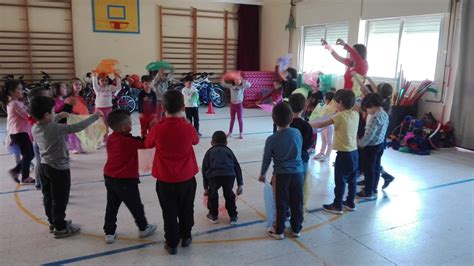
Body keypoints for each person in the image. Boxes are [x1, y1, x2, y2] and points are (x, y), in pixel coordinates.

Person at [30, 96, 101, 238]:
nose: (55, 113)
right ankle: (61, 228)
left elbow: (49, 124)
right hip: (58, 169)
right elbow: (76, 127)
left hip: (44, 167)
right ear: (47, 115)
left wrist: (57, 117)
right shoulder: (54, 128)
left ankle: (54, 222)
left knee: (48, 197)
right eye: (53, 112)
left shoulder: (35, 127)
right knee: (60, 199)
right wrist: (94, 117)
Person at [145, 90, 198, 255]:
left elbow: (148, 144)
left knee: (169, 212)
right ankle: (186, 236)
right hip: (187, 178)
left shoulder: (158, 128)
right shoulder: (187, 127)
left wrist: (152, 127)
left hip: (165, 179)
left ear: (163, 108)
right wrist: (187, 123)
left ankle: (172, 243)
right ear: (183, 107)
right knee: (187, 208)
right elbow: (195, 140)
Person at [103, 110, 157, 244]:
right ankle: (143, 228)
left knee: (112, 206)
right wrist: (154, 128)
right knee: (135, 205)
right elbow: (147, 143)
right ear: (123, 127)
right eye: (129, 123)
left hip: (109, 176)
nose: (131, 125)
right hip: (125, 180)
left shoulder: (111, 138)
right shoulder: (127, 142)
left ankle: (109, 232)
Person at [258, 102, 304, 240]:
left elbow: (267, 158)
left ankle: (278, 230)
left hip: (281, 175)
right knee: (297, 202)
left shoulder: (272, 139)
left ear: (274, 119)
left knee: (281, 203)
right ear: (291, 119)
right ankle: (296, 229)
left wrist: (262, 173)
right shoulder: (297, 133)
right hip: (298, 174)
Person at [310, 90, 359, 214]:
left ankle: (337, 205)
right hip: (354, 153)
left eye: (335, 103)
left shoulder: (339, 116)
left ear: (340, 103)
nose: (334, 105)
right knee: (352, 180)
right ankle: (350, 202)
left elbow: (321, 123)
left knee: (340, 180)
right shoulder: (355, 114)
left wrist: (306, 124)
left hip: (343, 155)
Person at [202, 131, 243, 224]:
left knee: (212, 195)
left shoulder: (209, 152)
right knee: (229, 195)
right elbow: (237, 167)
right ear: (226, 143)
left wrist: (205, 188)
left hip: (214, 176)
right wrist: (240, 184)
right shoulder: (229, 151)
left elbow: (204, 170)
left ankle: (213, 215)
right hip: (228, 175)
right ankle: (233, 216)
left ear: (211, 143)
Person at [1, 80, 35, 184]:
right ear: (11, 92)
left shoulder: (15, 102)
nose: (22, 91)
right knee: (28, 154)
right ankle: (24, 177)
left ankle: (15, 171)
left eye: (21, 89)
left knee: (30, 154)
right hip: (19, 132)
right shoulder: (14, 103)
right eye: (19, 89)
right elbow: (26, 116)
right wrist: (32, 108)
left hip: (20, 132)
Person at [356, 93, 389, 199]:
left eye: (367, 108)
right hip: (379, 144)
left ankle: (368, 191)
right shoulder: (384, 113)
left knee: (368, 170)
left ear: (372, 105)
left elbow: (369, 135)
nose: (367, 111)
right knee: (375, 168)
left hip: (371, 147)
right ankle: (373, 188)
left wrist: (360, 143)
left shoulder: (375, 117)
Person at [288, 94, 314, 211]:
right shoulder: (306, 126)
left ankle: (286, 208)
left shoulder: (285, 124)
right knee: (301, 185)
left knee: (287, 185)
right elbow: (309, 145)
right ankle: (299, 207)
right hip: (302, 160)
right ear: (305, 106)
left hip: (287, 160)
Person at [26, 87, 51, 189]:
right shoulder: (35, 112)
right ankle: (39, 181)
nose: (49, 97)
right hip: (39, 141)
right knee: (40, 162)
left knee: (41, 162)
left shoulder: (38, 110)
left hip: (43, 140)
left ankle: (40, 181)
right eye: (46, 95)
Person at [91, 71, 121, 142]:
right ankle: (98, 140)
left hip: (108, 109)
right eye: (102, 80)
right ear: (99, 81)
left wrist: (117, 78)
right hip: (99, 109)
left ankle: (105, 138)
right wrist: (94, 77)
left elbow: (118, 87)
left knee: (107, 124)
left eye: (106, 80)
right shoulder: (98, 88)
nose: (104, 82)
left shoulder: (110, 87)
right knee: (99, 125)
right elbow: (94, 85)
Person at [64, 78, 91, 154]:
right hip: (74, 117)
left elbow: (84, 107)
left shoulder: (82, 96)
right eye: (76, 84)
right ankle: (74, 147)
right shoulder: (69, 98)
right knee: (73, 133)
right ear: (71, 86)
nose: (79, 86)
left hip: (82, 117)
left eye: (80, 84)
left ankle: (81, 146)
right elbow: (68, 108)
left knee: (82, 132)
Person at [313, 91, 335, 162]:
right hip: (323, 125)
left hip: (329, 126)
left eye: (325, 97)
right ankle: (322, 153)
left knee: (329, 141)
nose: (324, 98)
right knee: (323, 140)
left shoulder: (332, 107)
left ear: (328, 99)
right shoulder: (325, 105)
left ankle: (327, 155)